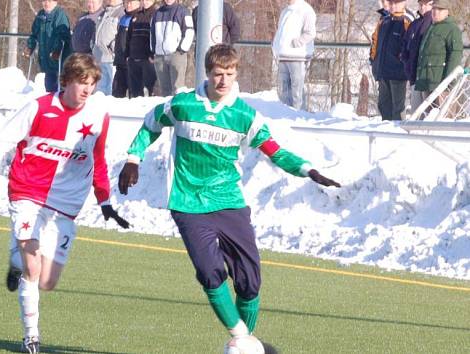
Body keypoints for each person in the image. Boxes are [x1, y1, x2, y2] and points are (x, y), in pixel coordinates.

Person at [117, 44, 340, 351]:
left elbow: (274, 151)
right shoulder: (183, 105)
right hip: (188, 203)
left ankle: (243, 344)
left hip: (230, 203)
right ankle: (244, 342)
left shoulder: (244, 116)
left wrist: (307, 169)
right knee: (209, 272)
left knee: (250, 282)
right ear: (208, 73)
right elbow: (150, 125)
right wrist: (133, 158)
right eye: (218, 74)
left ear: (237, 74)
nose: (223, 80)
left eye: (230, 74)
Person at [0, 53, 129, 354]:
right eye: (81, 82)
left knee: (48, 281)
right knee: (33, 267)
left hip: (65, 203)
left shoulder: (97, 118)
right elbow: (1, 139)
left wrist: (105, 200)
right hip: (27, 192)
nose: (86, 89)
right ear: (66, 81)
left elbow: (99, 160)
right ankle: (31, 336)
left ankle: (16, 259)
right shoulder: (38, 108)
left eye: (91, 84)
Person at [370, 0, 411, 121]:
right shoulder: (384, 21)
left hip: (398, 73)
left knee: (398, 108)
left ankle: (398, 134)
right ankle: (385, 132)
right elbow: (375, 42)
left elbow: (410, 45)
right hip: (382, 71)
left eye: (397, 3)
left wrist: (402, 59)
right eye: (391, 3)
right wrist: (373, 60)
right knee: (383, 105)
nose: (393, 6)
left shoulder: (406, 21)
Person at [271, 0, 316, 111]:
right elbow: (280, 31)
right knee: (283, 90)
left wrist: (297, 42)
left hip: (297, 56)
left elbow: (310, 33)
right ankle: (284, 114)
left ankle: (298, 115)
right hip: (283, 55)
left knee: (297, 91)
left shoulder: (306, 10)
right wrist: (275, 45)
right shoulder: (285, 11)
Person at [414, 0, 462, 99]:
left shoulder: (452, 29)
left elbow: (455, 57)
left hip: (440, 85)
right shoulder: (431, 28)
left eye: (440, 9)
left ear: (447, 11)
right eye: (434, 8)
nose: (436, 12)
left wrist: (448, 83)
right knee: (426, 113)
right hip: (425, 82)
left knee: (439, 113)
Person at [24, 0, 71, 93]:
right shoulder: (41, 15)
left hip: (59, 60)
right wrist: (30, 47)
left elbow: (63, 35)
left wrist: (57, 50)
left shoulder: (59, 15)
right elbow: (34, 34)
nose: (46, 3)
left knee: (62, 87)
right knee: (49, 86)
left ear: (55, 2)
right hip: (46, 59)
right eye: (44, 1)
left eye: (49, 1)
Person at [150, 0, 194, 96]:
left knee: (177, 88)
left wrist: (181, 49)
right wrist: (153, 50)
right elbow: (152, 34)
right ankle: (167, 110)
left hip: (176, 55)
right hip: (160, 56)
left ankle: (177, 109)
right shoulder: (157, 13)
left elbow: (189, 32)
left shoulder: (183, 11)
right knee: (165, 89)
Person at [401, 0, 432, 114]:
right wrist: (407, 63)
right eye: (421, 4)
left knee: (429, 114)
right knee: (416, 113)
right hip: (414, 75)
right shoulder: (414, 24)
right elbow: (405, 45)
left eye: (426, 4)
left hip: (427, 77)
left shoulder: (433, 23)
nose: (423, 7)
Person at [125, 0, 157, 97]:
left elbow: (155, 37)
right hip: (133, 58)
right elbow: (129, 37)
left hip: (147, 59)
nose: (145, 2)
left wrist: (152, 54)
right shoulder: (136, 16)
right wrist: (127, 55)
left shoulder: (156, 14)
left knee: (149, 89)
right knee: (135, 91)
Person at [93, 0, 124, 95]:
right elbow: (97, 31)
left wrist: (114, 47)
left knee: (110, 89)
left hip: (111, 58)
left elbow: (122, 34)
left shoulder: (121, 12)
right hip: (99, 57)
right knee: (100, 91)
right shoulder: (104, 12)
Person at [111, 0, 139, 98]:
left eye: (131, 2)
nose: (128, 5)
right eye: (126, 2)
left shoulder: (138, 18)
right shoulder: (123, 18)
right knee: (116, 92)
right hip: (120, 61)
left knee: (133, 93)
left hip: (131, 61)